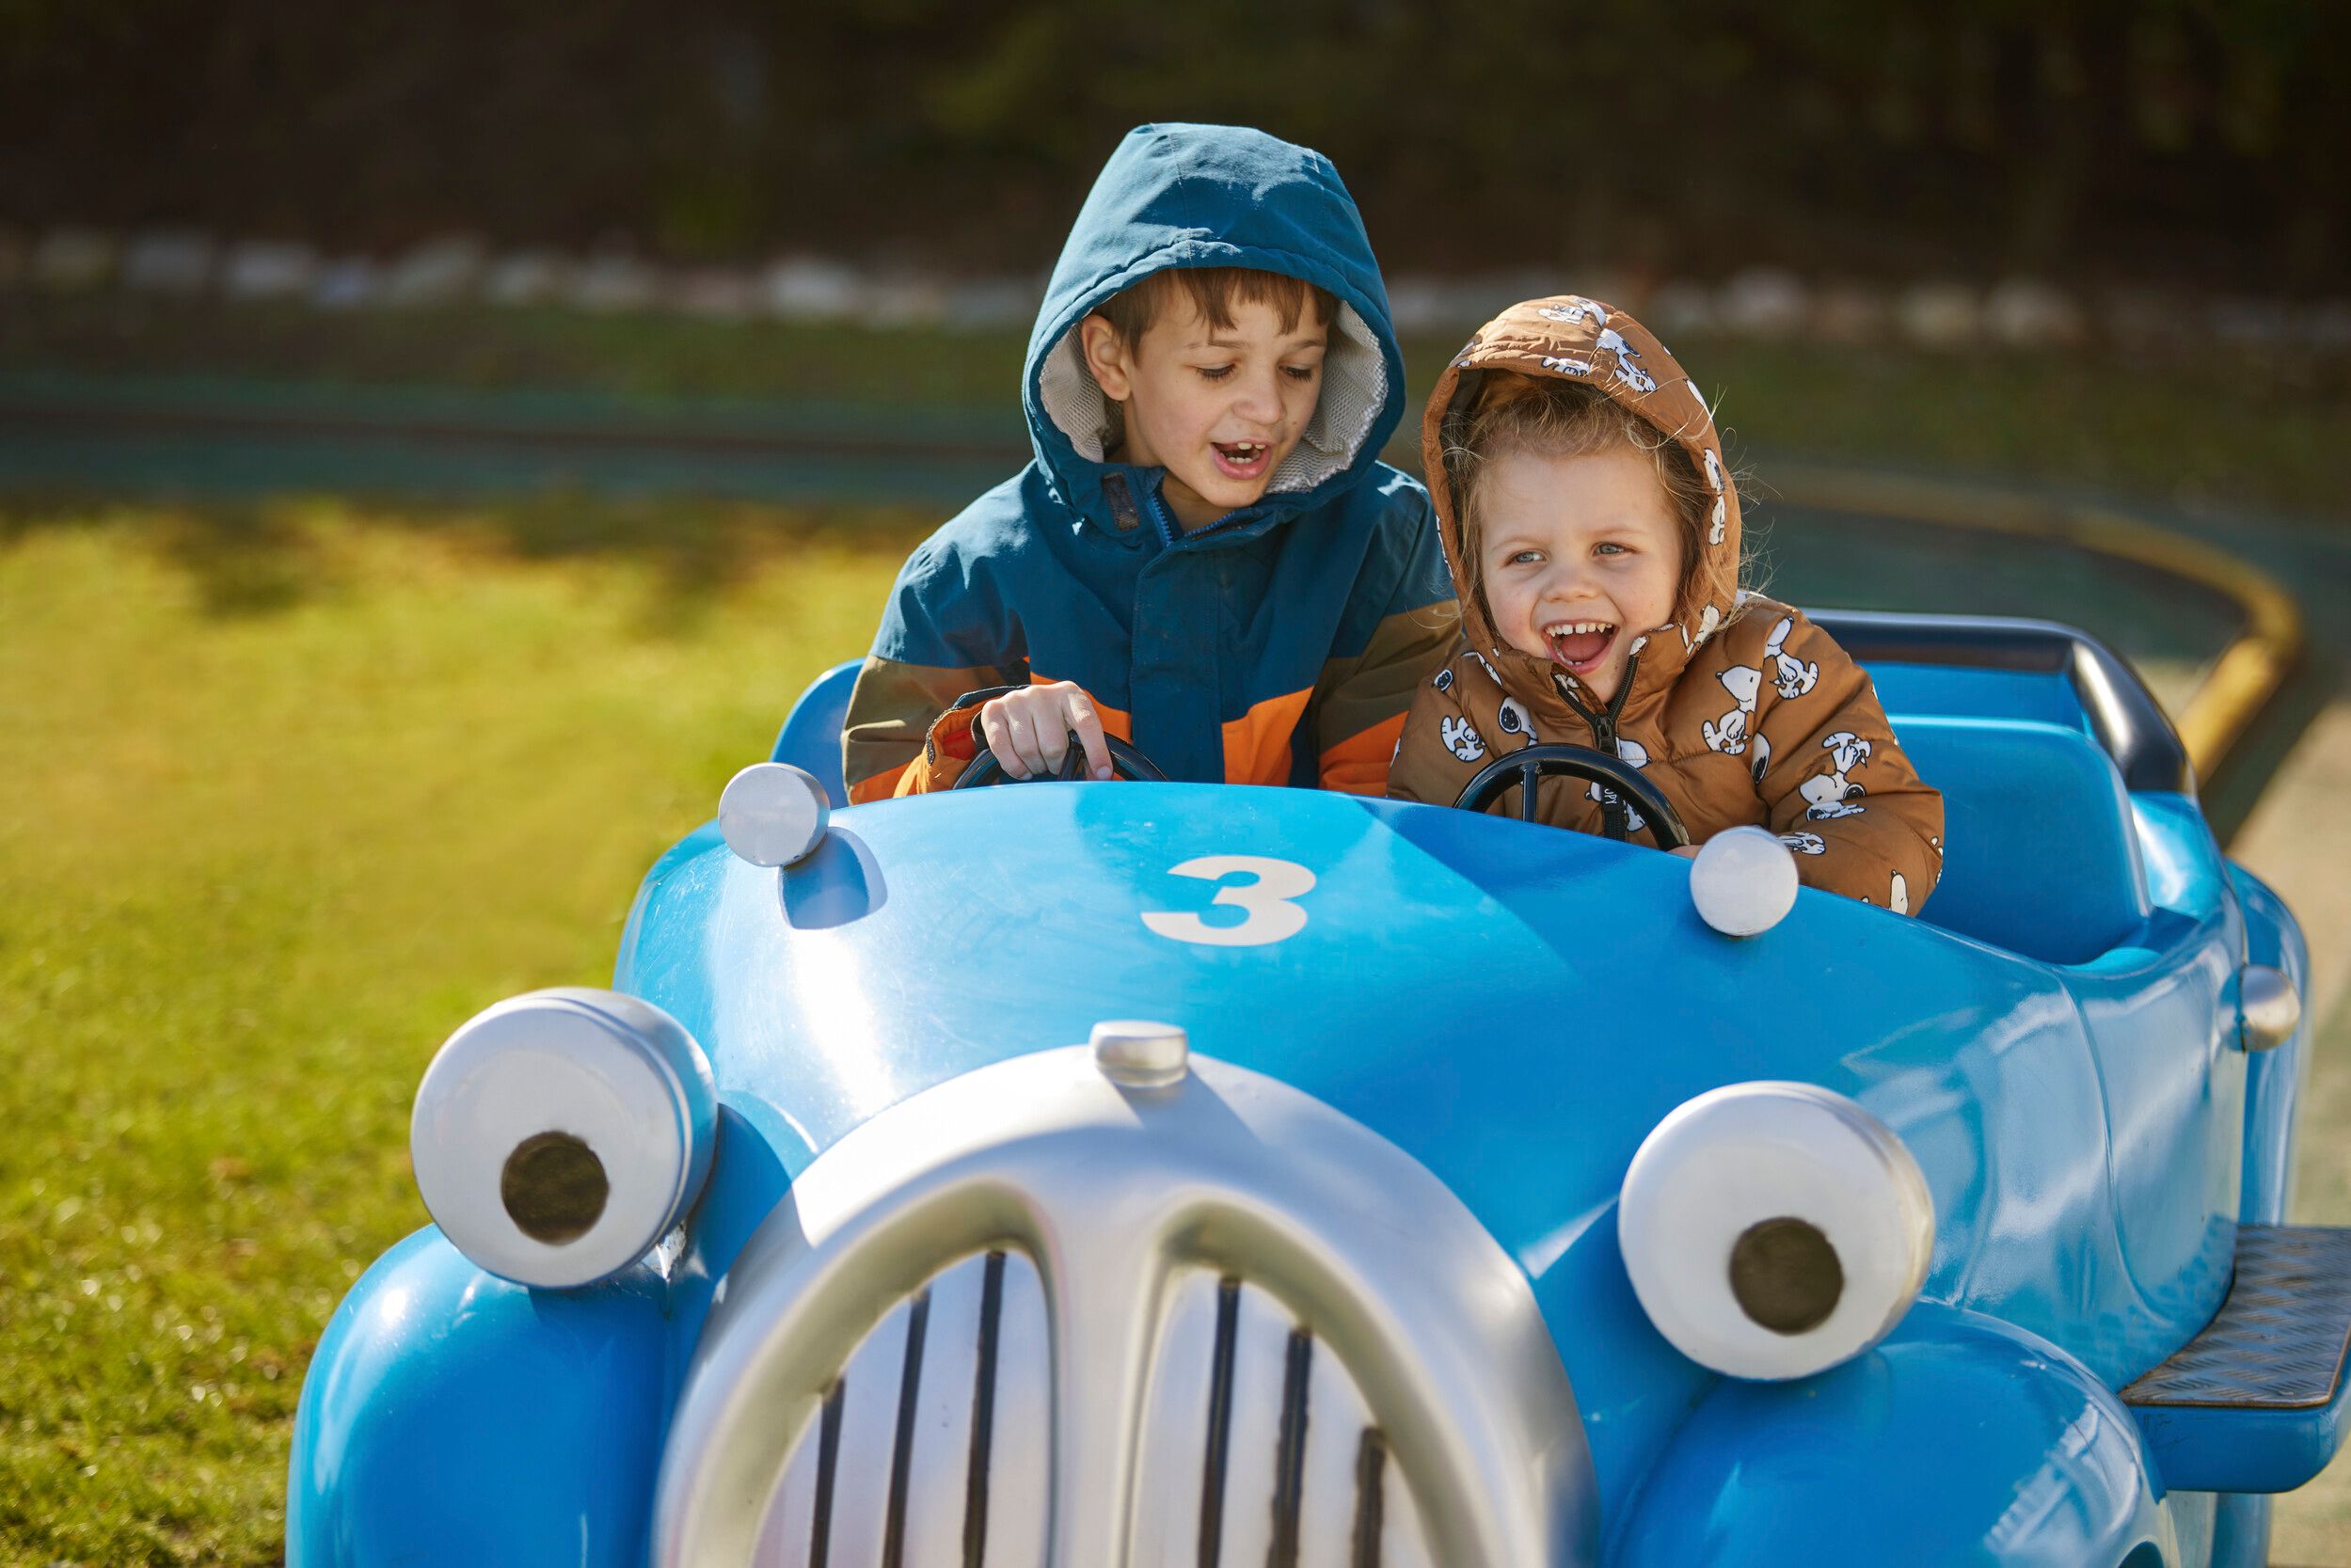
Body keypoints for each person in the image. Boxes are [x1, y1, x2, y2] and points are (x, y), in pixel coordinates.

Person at [841, 123, 1454, 800]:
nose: (1267, 407)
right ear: (1111, 360)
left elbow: (1404, 819)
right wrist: (975, 743)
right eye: (1218, 368)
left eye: (1298, 367)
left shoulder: (1379, 541)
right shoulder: (972, 574)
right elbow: (880, 819)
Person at [1387, 295, 1943, 911]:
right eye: (1525, 557)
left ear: (1687, 543)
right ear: (1472, 565)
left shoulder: (1771, 669)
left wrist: (1761, 875)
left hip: (1745, 991)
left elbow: (1889, 827)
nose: (1568, 586)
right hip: (1554, 995)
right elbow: (1417, 881)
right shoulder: (1465, 705)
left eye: (1610, 548)